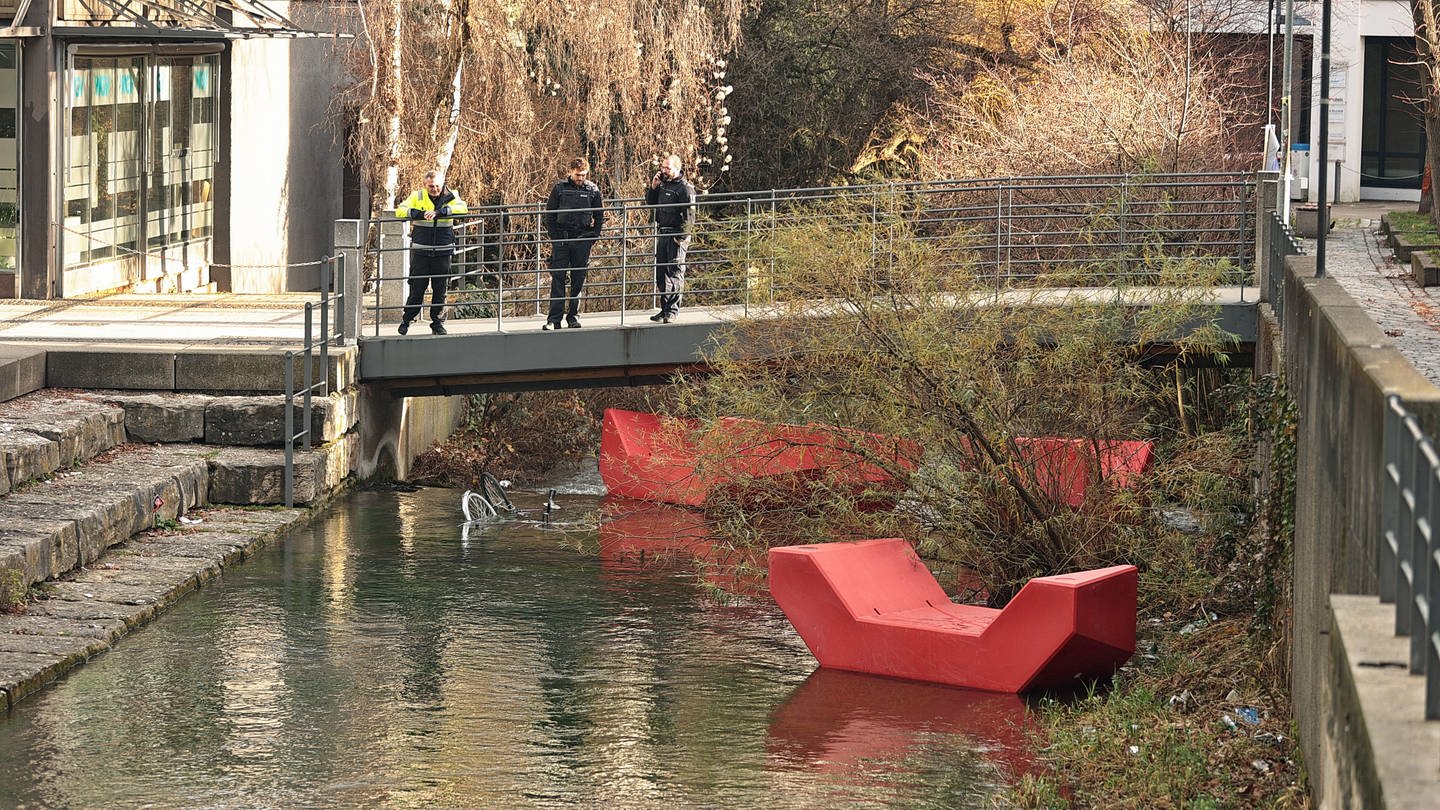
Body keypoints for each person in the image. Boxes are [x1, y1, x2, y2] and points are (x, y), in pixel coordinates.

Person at [396, 170, 468, 335]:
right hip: (421, 250)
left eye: (437, 186)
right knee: (416, 288)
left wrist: (440, 212)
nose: (434, 189)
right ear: (424, 185)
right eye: (431, 186)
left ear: (442, 184)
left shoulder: (451, 195)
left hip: (443, 250)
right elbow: (400, 210)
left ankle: (437, 323)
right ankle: (407, 320)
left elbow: (463, 209)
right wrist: (419, 214)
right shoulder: (417, 196)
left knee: (440, 290)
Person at [542, 157, 605, 330]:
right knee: (558, 279)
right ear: (570, 172)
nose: (580, 178)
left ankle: (573, 317)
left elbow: (599, 215)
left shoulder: (593, 190)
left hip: (583, 238)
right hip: (562, 238)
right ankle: (554, 319)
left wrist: (594, 236)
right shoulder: (559, 189)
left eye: (583, 175)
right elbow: (550, 214)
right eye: (577, 175)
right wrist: (555, 237)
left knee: (578, 280)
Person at [645, 154, 695, 323]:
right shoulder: (663, 184)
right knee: (661, 274)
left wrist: (680, 237)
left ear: (677, 169)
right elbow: (651, 203)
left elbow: (690, 216)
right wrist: (653, 187)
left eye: (668, 168)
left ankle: (672, 311)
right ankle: (664, 309)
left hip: (676, 235)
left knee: (675, 273)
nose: (664, 170)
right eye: (663, 167)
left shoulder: (685, 188)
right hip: (663, 232)